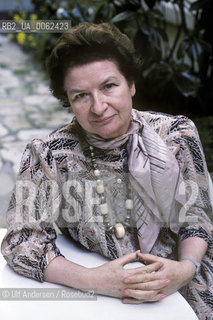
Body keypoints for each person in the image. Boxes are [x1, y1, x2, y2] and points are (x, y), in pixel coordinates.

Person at [1, 22, 213, 319]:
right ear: (68, 102)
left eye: (109, 86)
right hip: (108, 299)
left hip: (186, 281)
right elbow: (22, 242)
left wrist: (185, 268)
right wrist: (94, 280)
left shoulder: (177, 135)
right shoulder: (49, 155)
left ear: (131, 84)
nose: (98, 107)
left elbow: (198, 217)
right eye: (81, 96)